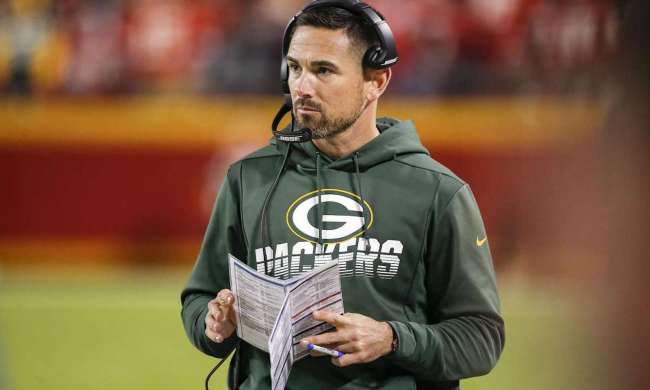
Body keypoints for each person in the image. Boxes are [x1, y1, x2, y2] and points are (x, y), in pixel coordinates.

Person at [181, 1, 504, 389]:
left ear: (377, 81)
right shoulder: (249, 180)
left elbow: (482, 338)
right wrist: (214, 323)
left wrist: (392, 338)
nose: (302, 86)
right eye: (295, 68)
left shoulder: (437, 192)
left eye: (323, 70)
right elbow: (200, 298)